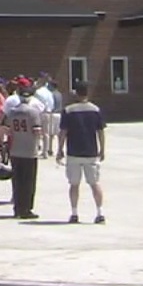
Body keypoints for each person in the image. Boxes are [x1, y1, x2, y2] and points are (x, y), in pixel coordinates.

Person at [57, 82, 106, 224]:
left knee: (74, 184)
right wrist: (102, 149)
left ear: (75, 93)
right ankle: (99, 213)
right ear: (87, 92)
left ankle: (74, 213)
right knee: (94, 183)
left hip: (73, 152)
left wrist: (60, 149)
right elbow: (101, 131)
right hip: (91, 152)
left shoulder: (68, 110)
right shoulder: (95, 110)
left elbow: (63, 132)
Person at [3, 85, 44, 220]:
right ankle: (26, 209)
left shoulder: (12, 112)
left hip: (15, 149)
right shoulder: (33, 112)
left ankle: (17, 208)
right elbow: (37, 131)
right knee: (29, 181)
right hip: (29, 150)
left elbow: (6, 129)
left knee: (17, 181)